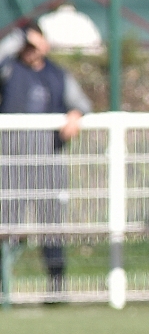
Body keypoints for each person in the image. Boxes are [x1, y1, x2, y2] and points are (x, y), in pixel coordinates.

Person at [0, 23, 92, 294]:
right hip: (11, 162)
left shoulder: (57, 75)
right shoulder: (9, 69)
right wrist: (19, 37)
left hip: (47, 161)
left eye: (34, 45)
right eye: (26, 46)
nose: (30, 51)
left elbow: (81, 104)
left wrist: (75, 115)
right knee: (7, 226)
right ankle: (4, 286)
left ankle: (56, 286)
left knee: (51, 226)